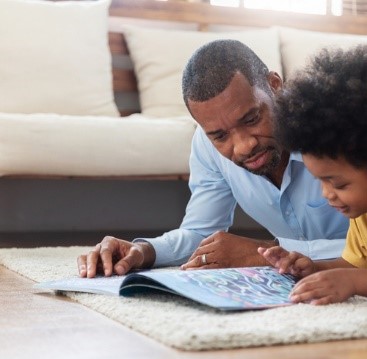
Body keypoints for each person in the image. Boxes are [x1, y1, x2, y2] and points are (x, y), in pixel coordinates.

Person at [77, 39, 348, 279]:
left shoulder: (342, 130)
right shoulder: (206, 144)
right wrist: (145, 251)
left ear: (274, 86)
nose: (244, 147)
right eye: (220, 136)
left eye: (252, 119)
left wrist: (264, 251)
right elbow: (201, 234)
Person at [259, 45, 367, 305]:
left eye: (338, 183)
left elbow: (355, 276)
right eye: (320, 180)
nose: (326, 194)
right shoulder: (361, 213)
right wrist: (313, 269)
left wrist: (353, 282)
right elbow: (352, 265)